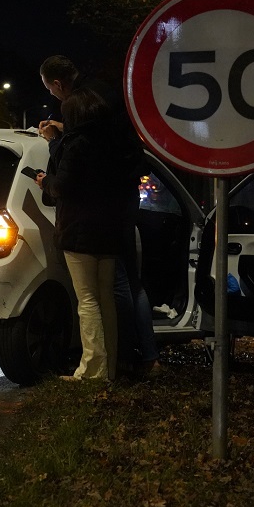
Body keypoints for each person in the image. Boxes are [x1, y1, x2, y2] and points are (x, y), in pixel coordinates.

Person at [38, 55, 160, 376]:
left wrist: (55, 147)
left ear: (59, 85)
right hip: (114, 217)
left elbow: (64, 180)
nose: (53, 96)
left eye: (52, 90)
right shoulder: (105, 106)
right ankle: (121, 363)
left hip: (82, 226)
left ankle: (99, 368)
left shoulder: (76, 143)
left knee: (96, 297)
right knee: (116, 291)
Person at [36, 88, 128, 381]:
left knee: (87, 299)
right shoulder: (114, 143)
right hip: (109, 229)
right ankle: (110, 367)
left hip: (79, 230)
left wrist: (44, 180)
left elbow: (61, 186)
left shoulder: (76, 145)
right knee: (106, 299)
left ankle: (91, 370)